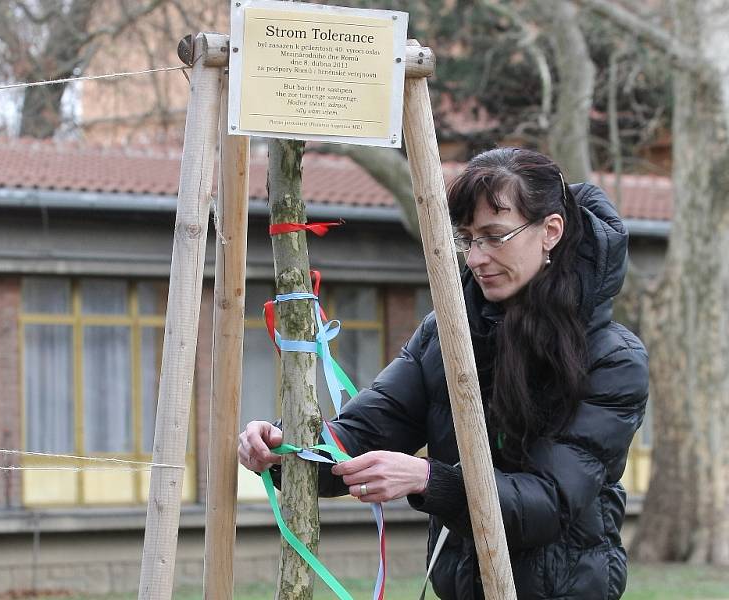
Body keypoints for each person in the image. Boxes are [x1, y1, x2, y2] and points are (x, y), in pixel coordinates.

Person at [238, 147, 648, 600]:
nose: (475, 258)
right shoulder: (446, 334)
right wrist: (287, 446)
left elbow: (547, 502)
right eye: (467, 238)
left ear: (551, 231)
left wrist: (430, 479)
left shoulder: (613, 359)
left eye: (495, 236)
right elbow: (363, 434)